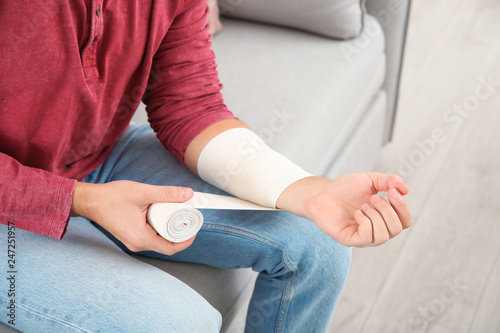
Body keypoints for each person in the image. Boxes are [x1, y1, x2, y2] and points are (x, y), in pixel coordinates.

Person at [0, 1, 412, 332]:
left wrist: (310, 191)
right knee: (181, 323)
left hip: (96, 156)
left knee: (317, 238)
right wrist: (80, 200)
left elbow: (189, 105)